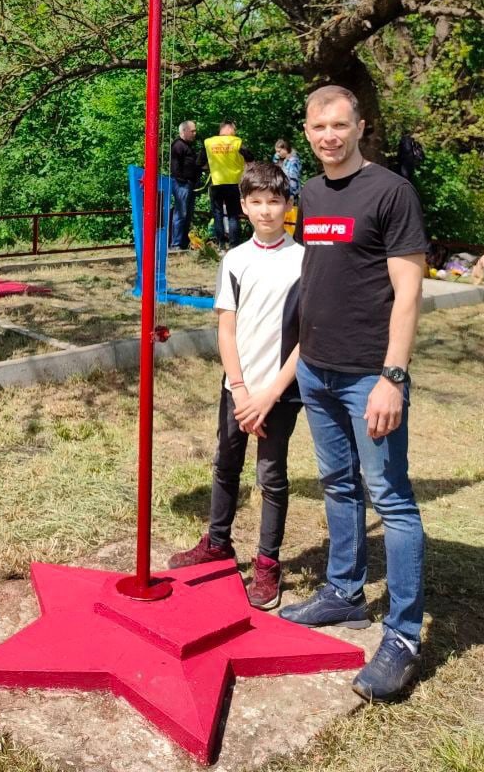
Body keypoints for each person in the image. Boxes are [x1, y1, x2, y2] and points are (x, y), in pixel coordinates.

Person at [279, 85, 427, 703]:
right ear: (308, 130)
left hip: (371, 374)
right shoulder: (309, 195)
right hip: (317, 369)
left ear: (360, 127)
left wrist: (393, 376)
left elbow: (409, 288)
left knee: (390, 498)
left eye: (340, 125)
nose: (329, 136)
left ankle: (404, 635)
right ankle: (343, 594)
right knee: (338, 485)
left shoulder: (391, 192)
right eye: (319, 127)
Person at [167, 160, 304, 610]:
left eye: (274, 201)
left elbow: (308, 337)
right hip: (239, 389)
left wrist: (270, 394)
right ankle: (218, 542)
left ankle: (267, 563)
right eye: (257, 202)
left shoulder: (304, 260)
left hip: (281, 393)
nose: (266, 211)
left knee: (270, 477)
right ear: (243, 205)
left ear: (287, 205)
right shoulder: (235, 259)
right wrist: (241, 389)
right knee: (226, 465)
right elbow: (226, 329)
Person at [204, 121, 253, 249]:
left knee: (217, 214)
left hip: (216, 183)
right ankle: (234, 244)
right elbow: (251, 158)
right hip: (233, 184)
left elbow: (200, 162)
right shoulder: (237, 142)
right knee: (233, 215)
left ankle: (221, 244)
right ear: (230, 129)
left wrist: (209, 167)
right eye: (234, 129)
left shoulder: (209, 143)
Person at [169, 120, 204, 250]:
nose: (195, 133)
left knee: (187, 214)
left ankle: (183, 242)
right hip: (181, 184)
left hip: (189, 184)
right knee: (181, 213)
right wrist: (181, 180)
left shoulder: (188, 146)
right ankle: (176, 243)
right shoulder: (178, 145)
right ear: (184, 131)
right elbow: (175, 165)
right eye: (192, 131)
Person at [272, 138, 302, 203]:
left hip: (291, 195)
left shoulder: (293, 161)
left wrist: (291, 195)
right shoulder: (282, 159)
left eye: (279, 151)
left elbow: (293, 179)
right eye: (276, 151)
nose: (277, 154)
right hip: (282, 192)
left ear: (285, 149)